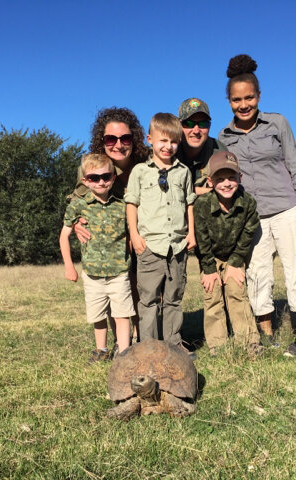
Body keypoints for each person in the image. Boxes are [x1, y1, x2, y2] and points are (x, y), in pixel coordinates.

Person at [218, 54, 296, 358]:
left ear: (259, 96)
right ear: (229, 101)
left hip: (288, 209)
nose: (244, 104)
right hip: (252, 217)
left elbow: (295, 166)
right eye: (237, 100)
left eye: (249, 97)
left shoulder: (277, 123)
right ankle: (267, 335)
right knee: (258, 275)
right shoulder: (224, 136)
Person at [68, 107, 148, 345]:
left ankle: (142, 334)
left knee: (141, 287)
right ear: (101, 141)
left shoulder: (146, 162)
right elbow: (76, 201)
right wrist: (75, 224)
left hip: (144, 231)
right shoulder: (94, 167)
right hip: (113, 241)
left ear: (134, 139)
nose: (118, 144)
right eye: (111, 139)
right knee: (120, 286)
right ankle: (122, 341)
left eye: (125, 138)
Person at [124, 113, 197, 355]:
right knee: (148, 301)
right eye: (163, 141)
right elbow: (131, 204)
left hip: (176, 246)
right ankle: (148, 346)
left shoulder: (183, 172)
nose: (168, 147)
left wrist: (191, 234)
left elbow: (189, 204)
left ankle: (174, 344)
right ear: (150, 140)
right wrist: (134, 235)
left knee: (174, 299)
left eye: (174, 141)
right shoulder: (140, 172)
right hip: (150, 246)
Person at [59, 153, 135, 362]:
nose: (101, 182)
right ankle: (101, 349)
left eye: (106, 176)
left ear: (113, 177)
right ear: (85, 181)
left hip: (119, 272)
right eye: (94, 178)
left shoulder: (122, 205)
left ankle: (124, 351)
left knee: (121, 314)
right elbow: (64, 236)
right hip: (92, 274)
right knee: (98, 315)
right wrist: (69, 266)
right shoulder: (78, 206)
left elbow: (130, 234)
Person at [193, 151, 263, 357]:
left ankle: (250, 341)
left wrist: (234, 263)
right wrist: (208, 269)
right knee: (212, 293)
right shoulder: (203, 204)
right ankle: (218, 345)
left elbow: (248, 233)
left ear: (240, 178)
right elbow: (201, 240)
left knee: (237, 291)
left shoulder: (248, 203)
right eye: (220, 179)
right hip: (210, 257)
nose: (226, 183)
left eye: (232, 178)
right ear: (210, 181)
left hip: (234, 255)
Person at [175, 97, 228, 195]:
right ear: (179, 125)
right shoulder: (168, 149)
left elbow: (227, 190)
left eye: (203, 124)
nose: (196, 131)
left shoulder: (219, 152)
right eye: (189, 123)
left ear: (210, 126)